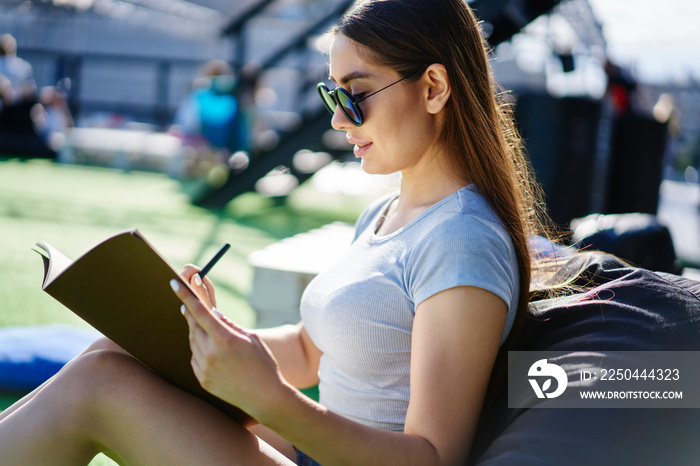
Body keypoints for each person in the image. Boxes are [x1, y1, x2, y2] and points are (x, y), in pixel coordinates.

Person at [0, 0, 555, 464]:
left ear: (434, 87)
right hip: (307, 448)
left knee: (100, 385)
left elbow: (432, 456)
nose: (339, 119)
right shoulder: (389, 214)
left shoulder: (462, 240)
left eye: (354, 94)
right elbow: (315, 353)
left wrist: (273, 401)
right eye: (332, 95)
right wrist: (210, 333)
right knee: (116, 351)